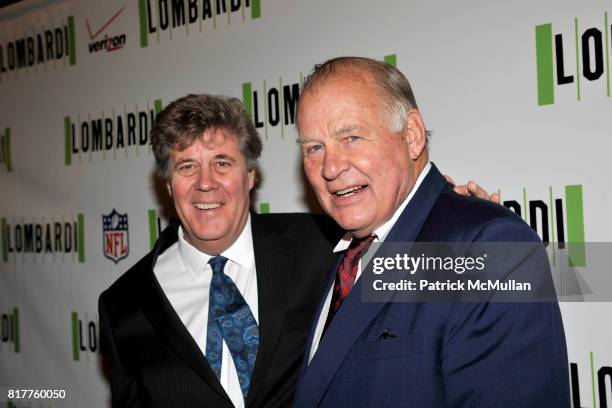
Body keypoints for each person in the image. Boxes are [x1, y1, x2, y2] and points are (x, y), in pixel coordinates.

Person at [293, 57, 570, 407]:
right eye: (314, 148)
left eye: (351, 137)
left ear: (411, 136)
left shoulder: (485, 249)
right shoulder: (344, 254)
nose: (330, 168)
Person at [98, 94, 340, 408]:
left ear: (251, 175)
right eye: (187, 166)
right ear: (169, 184)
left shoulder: (324, 246)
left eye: (222, 163)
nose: (205, 183)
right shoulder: (124, 305)